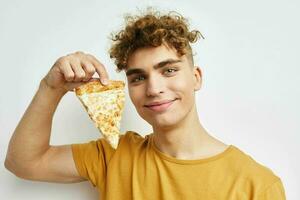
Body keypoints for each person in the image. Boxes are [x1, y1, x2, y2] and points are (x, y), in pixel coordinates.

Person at [5, 9, 286, 199]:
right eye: (138, 77)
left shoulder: (257, 186)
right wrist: (50, 88)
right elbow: (23, 162)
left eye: (169, 70)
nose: (153, 88)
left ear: (196, 77)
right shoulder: (115, 156)